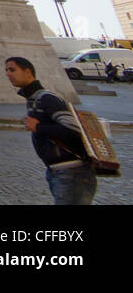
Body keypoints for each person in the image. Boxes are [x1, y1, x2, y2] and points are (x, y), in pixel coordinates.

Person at [5, 56, 96, 204]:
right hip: (58, 171)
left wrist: (38, 127)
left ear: (28, 72)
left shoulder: (47, 98)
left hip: (72, 172)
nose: (8, 74)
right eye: (6, 70)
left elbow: (74, 130)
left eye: (12, 70)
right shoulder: (33, 99)